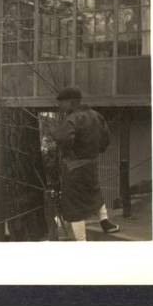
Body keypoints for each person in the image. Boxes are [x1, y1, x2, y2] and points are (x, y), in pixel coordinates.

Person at [50, 86, 120, 241]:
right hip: (92, 163)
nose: (60, 106)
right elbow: (106, 139)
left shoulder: (72, 119)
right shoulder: (96, 115)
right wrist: (95, 151)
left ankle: (82, 242)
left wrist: (68, 153)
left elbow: (64, 138)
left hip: (74, 167)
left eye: (62, 102)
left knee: (74, 205)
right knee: (94, 191)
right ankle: (105, 222)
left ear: (71, 102)